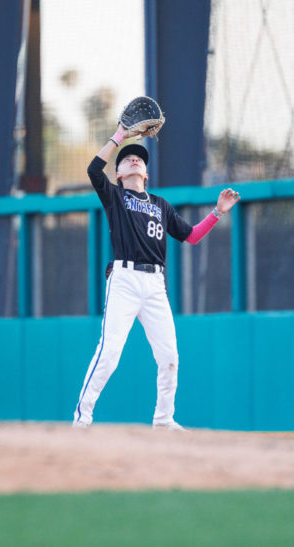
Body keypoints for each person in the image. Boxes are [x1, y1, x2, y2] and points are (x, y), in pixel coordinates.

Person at [73, 121, 241, 430]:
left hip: (154, 285)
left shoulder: (161, 205)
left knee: (170, 357)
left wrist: (217, 212)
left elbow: (190, 236)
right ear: (119, 173)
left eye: (139, 158)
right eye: (127, 159)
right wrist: (120, 136)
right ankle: (82, 419)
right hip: (124, 280)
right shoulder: (114, 197)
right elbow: (94, 171)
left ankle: (163, 420)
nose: (134, 159)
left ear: (146, 175)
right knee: (109, 353)